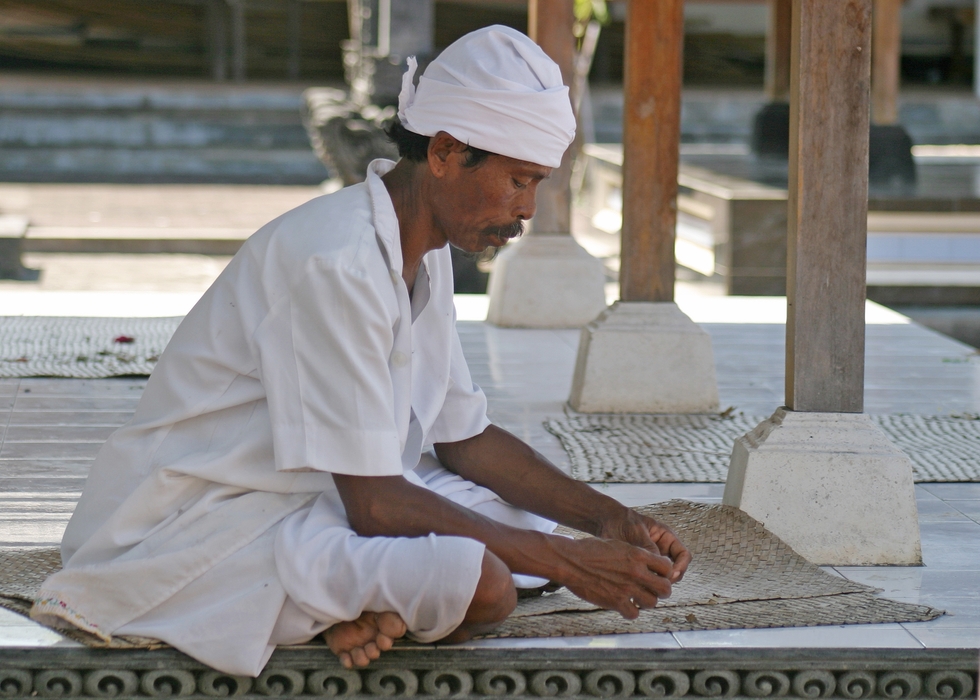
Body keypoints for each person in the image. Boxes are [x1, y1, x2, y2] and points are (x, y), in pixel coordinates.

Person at [32, 25, 690, 676]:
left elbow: (465, 440)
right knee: (483, 581)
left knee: (510, 514)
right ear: (443, 151)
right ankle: (336, 605)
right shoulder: (338, 260)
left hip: (321, 501)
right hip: (209, 528)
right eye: (518, 181)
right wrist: (567, 561)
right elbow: (375, 504)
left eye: (537, 184)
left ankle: (360, 607)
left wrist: (611, 522)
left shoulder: (420, 254)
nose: (526, 208)